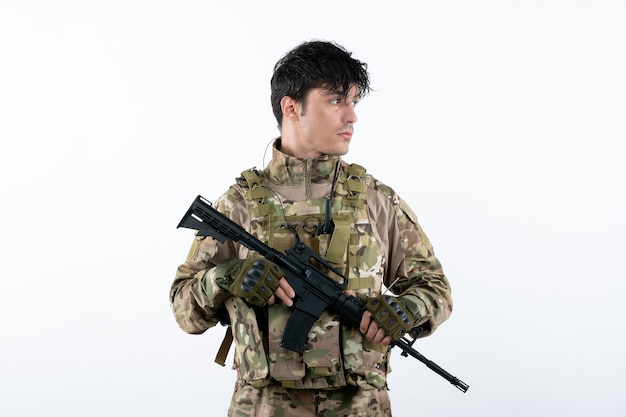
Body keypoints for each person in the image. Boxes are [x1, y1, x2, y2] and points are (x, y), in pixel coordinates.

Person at [170, 40, 453, 416]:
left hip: (360, 406)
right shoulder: (237, 206)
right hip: (264, 406)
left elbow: (436, 289)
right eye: (336, 100)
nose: (352, 117)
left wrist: (405, 310)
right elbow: (184, 310)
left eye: (353, 102)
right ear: (291, 106)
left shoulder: (378, 201)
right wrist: (224, 277)